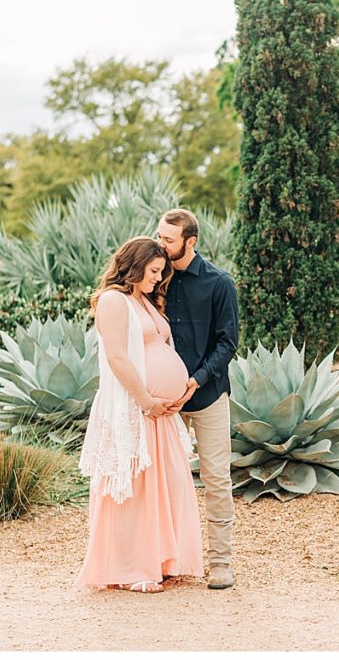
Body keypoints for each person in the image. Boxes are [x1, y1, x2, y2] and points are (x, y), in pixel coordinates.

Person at [75, 237, 204, 593]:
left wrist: (180, 390)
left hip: (160, 414)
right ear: (134, 266)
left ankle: (161, 559)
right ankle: (131, 568)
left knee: (167, 487)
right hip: (135, 409)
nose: (157, 279)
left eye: (160, 272)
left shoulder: (143, 301)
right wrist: (146, 400)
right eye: (153, 271)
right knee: (133, 491)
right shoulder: (114, 301)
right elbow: (117, 358)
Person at [155, 208, 239, 590]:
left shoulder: (220, 283)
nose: (160, 243)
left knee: (217, 480)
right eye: (159, 236)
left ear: (190, 242)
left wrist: (196, 379)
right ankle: (166, 559)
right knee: (164, 481)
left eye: (168, 239)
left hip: (207, 396)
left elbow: (228, 343)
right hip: (164, 404)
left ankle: (221, 563)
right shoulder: (154, 279)